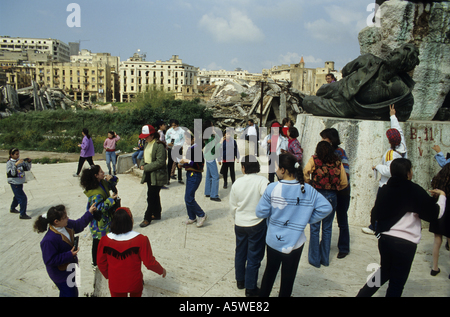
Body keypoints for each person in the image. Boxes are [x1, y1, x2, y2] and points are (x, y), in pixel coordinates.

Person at [356, 158, 446, 297]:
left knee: (384, 271)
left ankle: (362, 295)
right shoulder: (414, 190)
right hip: (405, 244)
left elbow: (375, 213)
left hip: (385, 240)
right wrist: (442, 197)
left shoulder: (385, 189)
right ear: (408, 173)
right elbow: (435, 213)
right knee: (396, 284)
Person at [256, 153, 333, 297]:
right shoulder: (308, 189)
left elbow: (260, 212)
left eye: (277, 167)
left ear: (283, 170)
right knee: (288, 279)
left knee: (269, 274)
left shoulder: (272, 188)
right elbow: (326, 208)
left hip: (274, 241)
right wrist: (305, 219)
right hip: (296, 242)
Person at [97, 207, 166, 297]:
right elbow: (149, 263)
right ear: (130, 221)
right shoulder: (141, 239)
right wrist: (161, 270)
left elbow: (100, 263)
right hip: (135, 283)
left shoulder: (104, 240)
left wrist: (109, 276)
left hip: (115, 284)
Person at [33, 204, 97, 297]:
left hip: (72, 268)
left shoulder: (66, 224)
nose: (67, 218)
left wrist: (89, 213)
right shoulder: (48, 240)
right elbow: (49, 260)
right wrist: (69, 255)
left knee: (73, 292)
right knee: (69, 293)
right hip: (61, 275)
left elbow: (78, 225)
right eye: (65, 217)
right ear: (56, 221)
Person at [363, 104, 407, 234]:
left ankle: (375, 227)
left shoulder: (391, 154)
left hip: (387, 184)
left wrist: (377, 166)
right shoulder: (402, 145)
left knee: (379, 207)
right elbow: (398, 130)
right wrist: (392, 116)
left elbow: (389, 170)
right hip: (400, 184)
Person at [303, 141, 348, 268]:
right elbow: (344, 182)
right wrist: (335, 188)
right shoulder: (337, 162)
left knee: (314, 227)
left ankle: (314, 259)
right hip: (332, 196)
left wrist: (309, 182)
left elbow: (305, 172)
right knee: (327, 228)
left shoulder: (314, 160)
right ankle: (325, 259)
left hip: (317, 195)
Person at [230, 155, 268, 297]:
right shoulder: (262, 181)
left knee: (240, 252)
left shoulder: (237, 183)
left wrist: (237, 218)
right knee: (254, 255)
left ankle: (240, 280)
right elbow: (267, 200)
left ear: (244, 168)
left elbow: (232, 206)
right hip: (256, 223)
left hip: (240, 223)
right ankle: (250, 287)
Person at [320, 128, 351, 259]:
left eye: (324, 138)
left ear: (331, 139)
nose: (322, 140)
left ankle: (344, 247)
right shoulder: (323, 152)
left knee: (342, 219)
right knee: (327, 221)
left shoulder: (340, 152)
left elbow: (346, 173)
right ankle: (324, 245)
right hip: (330, 191)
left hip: (341, 191)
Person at [80, 165, 119, 267]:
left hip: (106, 220)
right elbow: (99, 208)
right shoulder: (95, 193)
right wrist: (111, 199)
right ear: (96, 175)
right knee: (97, 242)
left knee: (106, 240)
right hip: (98, 223)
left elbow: (114, 182)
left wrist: (112, 178)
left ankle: (106, 259)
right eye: (101, 172)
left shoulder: (102, 183)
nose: (103, 173)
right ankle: (95, 263)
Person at [138, 125, 168, 228]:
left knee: (151, 196)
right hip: (149, 174)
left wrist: (146, 167)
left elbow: (160, 162)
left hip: (157, 174)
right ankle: (157, 213)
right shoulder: (147, 144)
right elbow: (144, 156)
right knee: (153, 195)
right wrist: (142, 164)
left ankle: (147, 218)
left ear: (152, 135)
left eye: (147, 136)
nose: (145, 138)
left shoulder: (159, 145)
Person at [179, 131, 207, 227]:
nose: (186, 141)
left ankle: (201, 214)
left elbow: (197, 164)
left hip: (194, 175)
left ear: (193, 138)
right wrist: (182, 164)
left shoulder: (197, 149)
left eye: (187, 139)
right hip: (190, 174)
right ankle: (192, 216)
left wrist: (186, 161)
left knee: (189, 198)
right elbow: (191, 163)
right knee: (188, 197)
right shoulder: (192, 148)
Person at [429, 163, 450, 277]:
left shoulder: (437, 181)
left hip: (438, 213)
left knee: (437, 241)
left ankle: (434, 268)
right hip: (449, 214)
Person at [7, 148, 32, 219]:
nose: (18, 156)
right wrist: (15, 165)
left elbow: (27, 169)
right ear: (11, 155)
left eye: (18, 154)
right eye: (16, 154)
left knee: (17, 196)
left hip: (20, 182)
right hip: (14, 183)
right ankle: (22, 214)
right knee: (23, 198)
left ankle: (12, 208)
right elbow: (12, 173)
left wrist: (29, 162)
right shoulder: (9, 163)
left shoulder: (20, 161)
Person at [203, 120, 221, 201]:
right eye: (212, 125)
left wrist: (215, 133)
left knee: (208, 175)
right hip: (211, 157)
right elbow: (213, 149)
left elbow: (216, 139)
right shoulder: (210, 137)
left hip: (208, 157)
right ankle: (213, 195)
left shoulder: (208, 135)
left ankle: (208, 192)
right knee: (215, 177)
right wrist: (220, 143)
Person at [165, 119, 185, 185]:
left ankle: (180, 178)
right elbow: (166, 138)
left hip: (178, 148)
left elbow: (183, 139)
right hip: (171, 148)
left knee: (179, 163)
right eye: (172, 125)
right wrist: (168, 143)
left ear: (178, 125)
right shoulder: (169, 131)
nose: (173, 126)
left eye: (175, 125)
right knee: (170, 164)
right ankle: (167, 179)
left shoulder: (181, 131)